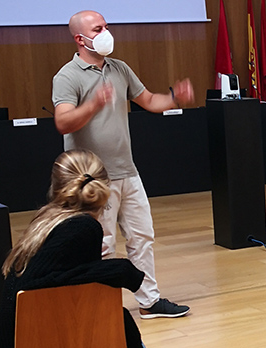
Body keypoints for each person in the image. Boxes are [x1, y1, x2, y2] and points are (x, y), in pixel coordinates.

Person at [52, 10, 193, 319]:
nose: (106, 32)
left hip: (128, 171)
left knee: (142, 237)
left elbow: (150, 101)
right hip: (92, 179)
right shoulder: (68, 75)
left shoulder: (120, 68)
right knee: (101, 245)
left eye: (106, 26)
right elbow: (62, 122)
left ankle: (150, 301)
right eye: (98, 28)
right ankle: (103, 306)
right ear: (80, 38)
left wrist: (174, 96)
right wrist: (94, 104)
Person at [0, 149, 146, 348]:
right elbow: (35, 286)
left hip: (12, 336)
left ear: (55, 187)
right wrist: (116, 270)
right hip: (33, 335)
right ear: (106, 187)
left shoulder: (48, 218)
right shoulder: (83, 227)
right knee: (118, 319)